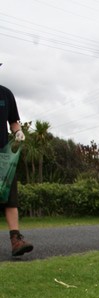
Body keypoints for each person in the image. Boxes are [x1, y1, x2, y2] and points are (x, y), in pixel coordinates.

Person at [0, 80, 33, 257]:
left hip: (3, 157)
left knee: (10, 198)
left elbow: (13, 121)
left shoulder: (6, 94)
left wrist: (17, 131)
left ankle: (16, 240)